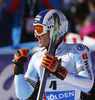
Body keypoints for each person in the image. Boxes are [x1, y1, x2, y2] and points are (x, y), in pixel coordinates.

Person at [12, 9, 94, 100]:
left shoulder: (77, 50)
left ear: (53, 30)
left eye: (39, 29)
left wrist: (60, 71)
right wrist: (18, 69)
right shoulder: (37, 57)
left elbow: (88, 85)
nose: (35, 35)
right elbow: (23, 95)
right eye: (35, 29)